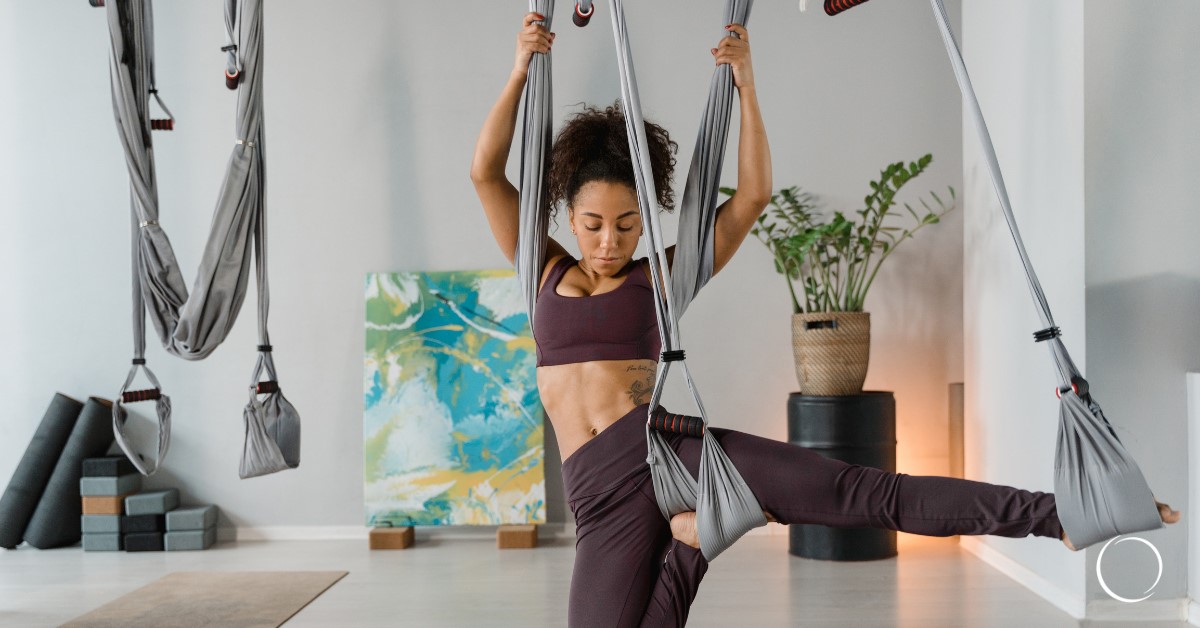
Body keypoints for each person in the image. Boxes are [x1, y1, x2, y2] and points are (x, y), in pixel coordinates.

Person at [470, 13, 1180, 627]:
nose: (607, 241)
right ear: (564, 210)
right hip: (596, 493)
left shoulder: (663, 278)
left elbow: (750, 197)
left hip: (673, 457)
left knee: (866, 493)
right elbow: (485, 174)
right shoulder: (543, 270)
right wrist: (517, 73)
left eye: (627, 224)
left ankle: (1062, 516)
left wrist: (746, 86)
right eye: (593, 224)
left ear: (645, 219)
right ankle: (693, 545)